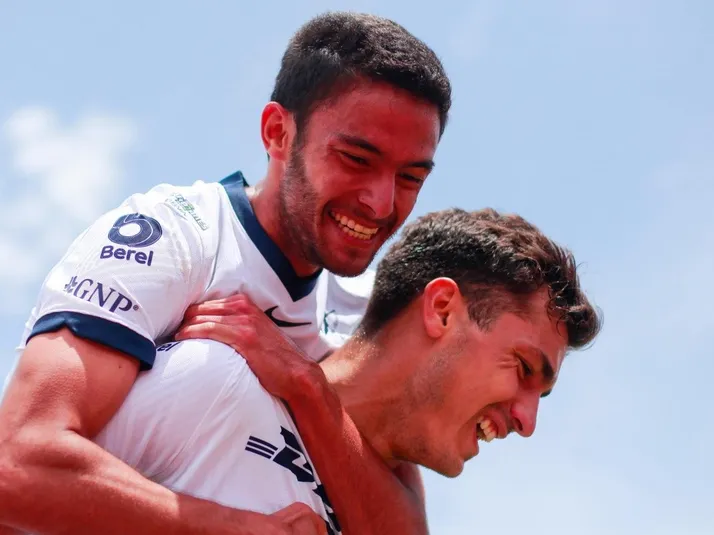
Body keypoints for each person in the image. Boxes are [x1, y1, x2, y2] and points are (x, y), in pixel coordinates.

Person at [0, 11, 452, 535]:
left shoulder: (365, 310)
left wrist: (306, 386)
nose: (381, 202)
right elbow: (15, 464)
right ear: (278, 133)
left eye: (410, 178)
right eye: (356, 159)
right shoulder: (174, 233)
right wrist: (239, 529)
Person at [91, 208, 602, 535]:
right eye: (523, 368)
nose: (527, 422)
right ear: (443, 310)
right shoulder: (220, 377)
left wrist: (309, 389)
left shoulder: (394, 493)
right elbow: (41, 479)